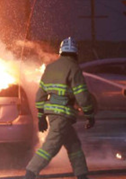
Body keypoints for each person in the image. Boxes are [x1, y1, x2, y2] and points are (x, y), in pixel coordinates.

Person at [24, 37, 95, 179]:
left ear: (61, 51)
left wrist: (41, 116)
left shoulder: (50, 68)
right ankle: (30, 173)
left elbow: (40, 95)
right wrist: (89, 114)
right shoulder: (74, 68)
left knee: (74, 145)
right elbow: (82, 95)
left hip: (53, 114)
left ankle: (82, 175)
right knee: (51, 146)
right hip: (63, 114)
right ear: (75, 53)